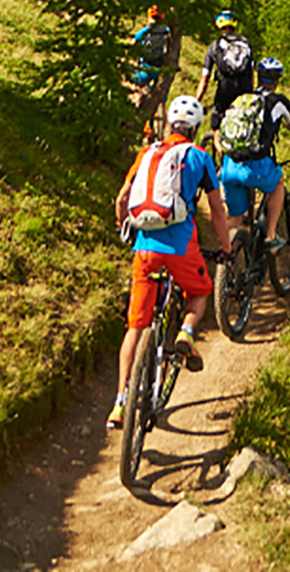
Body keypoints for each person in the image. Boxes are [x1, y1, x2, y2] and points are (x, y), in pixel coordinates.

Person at [107, 95, 232, 431]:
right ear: (195, 128)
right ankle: (186, 334)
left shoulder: (146, 153)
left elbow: (122, 198)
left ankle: (119, 403)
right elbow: (217, 210)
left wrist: (123, 227)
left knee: (135, 327)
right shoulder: (200, 157)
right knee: (200, 292)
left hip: (144, 249)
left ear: (170, 125)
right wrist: (225, 249)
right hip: (181, 247)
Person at [216, 57, 290, 254]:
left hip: (230, 165)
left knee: (235, 219)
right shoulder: (278, 102)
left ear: (258, 76)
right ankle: (271, 236)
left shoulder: (243, 99)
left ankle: (226, 261)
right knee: (278, 182)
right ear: (277, 80)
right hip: (256, 168)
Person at [194, 10, 254, 135]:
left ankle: (219, 146)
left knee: (217, 127)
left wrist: (196, 101)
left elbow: (205, 79)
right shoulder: (246, 44)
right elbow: (252, 74)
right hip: (244, 93)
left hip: (224, 93)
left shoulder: (215, 46)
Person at [129, 5, 173, 135]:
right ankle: (160, 134)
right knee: (162, 104)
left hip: (146, 68)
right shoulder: (166, 32)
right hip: (160, 69)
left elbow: (132, 44)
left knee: (136, 89)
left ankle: (138, 121)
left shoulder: (144, 31)